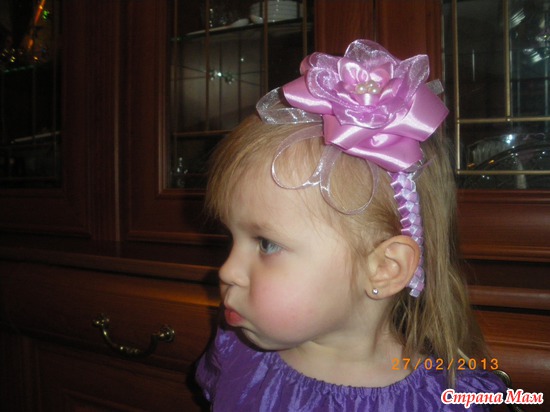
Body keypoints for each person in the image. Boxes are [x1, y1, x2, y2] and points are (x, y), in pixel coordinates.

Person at [195, 39, 506, 411]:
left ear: (384, 268)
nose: (226, 271)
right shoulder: (235, 354)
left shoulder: (448, 401)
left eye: (267, 244)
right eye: (230, 238)